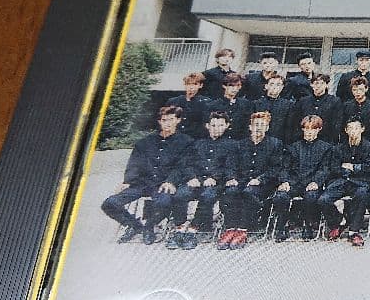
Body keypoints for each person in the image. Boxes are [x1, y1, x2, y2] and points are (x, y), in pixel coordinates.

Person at [101, 106, 193, 244]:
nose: (167, 123)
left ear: (178, 120)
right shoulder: (145, 142)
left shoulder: (186, 142)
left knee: (164, 202)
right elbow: (134, 163)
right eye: (164, 120)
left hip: (163, 184)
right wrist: (127, 181)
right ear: (159, 121)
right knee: (110, 203)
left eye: (171, 119)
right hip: (142, 183)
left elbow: (182, 166)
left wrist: (171, 181)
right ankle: (135, 226)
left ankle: (149, 227)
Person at [163, 111, 239, 250]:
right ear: (207, 126)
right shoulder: (197, 144)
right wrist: (192, 177)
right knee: (180, 194)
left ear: (227, 126)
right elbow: (186, 164)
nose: (216, 128)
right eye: (213, 125)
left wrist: (214, 177)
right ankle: (180, 228)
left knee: (208, 196)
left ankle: (193, 229)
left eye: (220, 125)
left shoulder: (232, 145)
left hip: (216, 184)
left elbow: (230, 167)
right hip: (196, 181)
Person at [220, 111, 288, 248]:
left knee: (249, 193)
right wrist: (232, 178)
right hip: (242, 181)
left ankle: (243, 229)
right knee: (230, 191)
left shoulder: (275, 144)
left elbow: (276, 168)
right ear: (250, 127)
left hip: (264, 184)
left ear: (267, 128)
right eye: (256, 125)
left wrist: (260, 179)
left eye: (262, 125)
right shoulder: (239, 145)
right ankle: (230, 228)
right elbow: (231, 165)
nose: (259, 128)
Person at [274, 115, 334, 240]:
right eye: (306, 128)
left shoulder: (326, 148)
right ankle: (281, 226)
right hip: (294, 183)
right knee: (281, 196)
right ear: (302, 129)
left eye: (313, 129)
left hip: (312, 183)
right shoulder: (293, 147)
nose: (309, 132)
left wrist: (316, 182)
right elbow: (285, 167)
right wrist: (285, 182)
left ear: (319, 130)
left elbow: (325, 169)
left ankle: (308, 226)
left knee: (311, 196)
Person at [321, 117, 370, 247]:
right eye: (350, 128)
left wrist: (352, 167)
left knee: (362, 195)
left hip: (360, 183)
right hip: (340, 182)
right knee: (323, 199)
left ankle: (354, 231)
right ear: (346, 130)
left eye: (356, 128)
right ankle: (339, 221)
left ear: (362, 129)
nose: (353, 131)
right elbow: (334, 168)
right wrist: (352, 169)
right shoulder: (338, 148)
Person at [293, 73, 342, 143]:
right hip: (306, 140)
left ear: (326, 85)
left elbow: (336, 124)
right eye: (316, 83)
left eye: (322, 83)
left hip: (326, 141)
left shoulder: (334, 101)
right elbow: (297, 122)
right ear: (311, 85)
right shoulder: (303, 101)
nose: (318, 86)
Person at [207, 73, 254, 140]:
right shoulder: (214, 105)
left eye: (238, 86)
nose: (235, 89)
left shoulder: (245, 104)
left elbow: (247, 125)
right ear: (224, 86)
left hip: (239, 141)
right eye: (231, 86)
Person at [165, 72, 211, 139]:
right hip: (174, 138)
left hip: (195, 139)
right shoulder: (173, 101)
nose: (191, 87)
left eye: (195, 84)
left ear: (200, 85)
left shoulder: (206, 103)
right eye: (188, 84)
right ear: (185, 85)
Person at [254, 72, 296, 143]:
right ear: (266, 86)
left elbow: (289, 128)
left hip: (279, 142)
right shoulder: (256, 104)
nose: (274, 87)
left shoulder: (288, 105)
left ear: (282, 87)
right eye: (272, 84)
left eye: (278, 84)